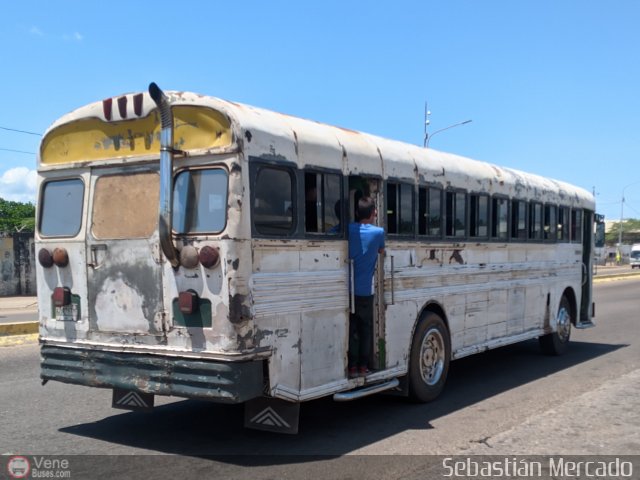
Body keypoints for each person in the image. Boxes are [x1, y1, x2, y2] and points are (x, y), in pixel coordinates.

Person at [348, 196, 385, 378]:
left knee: (352, 330)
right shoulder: (378, 232)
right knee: (365, 330)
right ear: (373, 213)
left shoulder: (348, 229)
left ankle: (351, 366)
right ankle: (363, 367)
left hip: (348, 291)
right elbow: (381, 251)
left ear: (356, 213)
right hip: (365, 291)